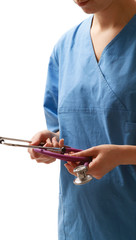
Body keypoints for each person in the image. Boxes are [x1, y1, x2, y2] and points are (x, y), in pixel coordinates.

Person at [28, 0, 136, 239]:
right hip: (80, 221)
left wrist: (123, 155)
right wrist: (54, 143)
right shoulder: (66, 47)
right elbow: (71, 123)